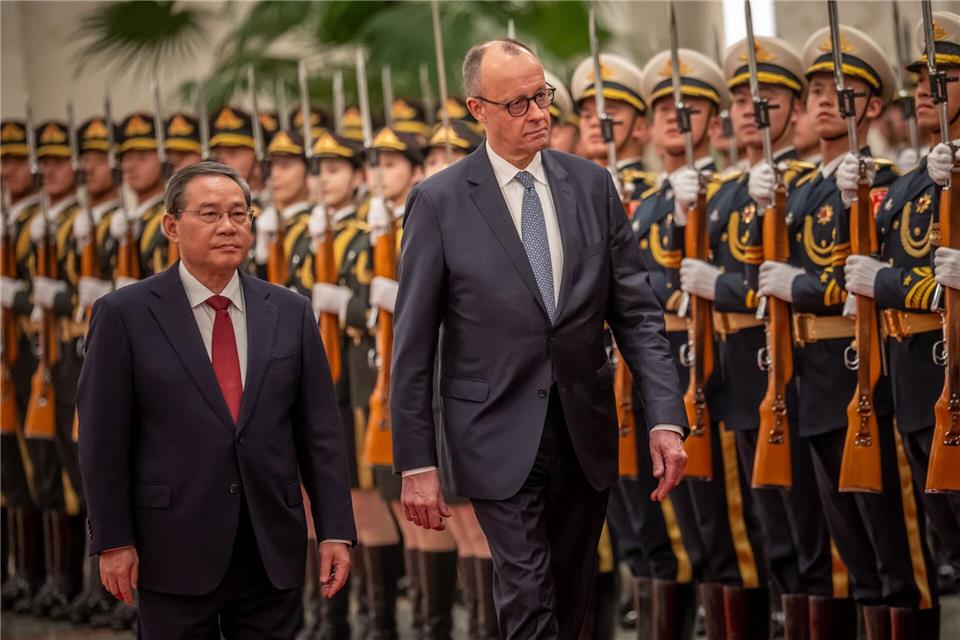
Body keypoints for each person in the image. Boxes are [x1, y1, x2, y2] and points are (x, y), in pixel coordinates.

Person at [390, 39, 687, 638]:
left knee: (572, 599)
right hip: (493, 432)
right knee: (527, 596)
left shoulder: (592, 185)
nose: (538, 114)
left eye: (543, 96)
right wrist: (416, 462)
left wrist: (665, 418)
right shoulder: (440, 201)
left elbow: (637, 314)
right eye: (518, 103)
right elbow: (412, 345)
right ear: (478, 110)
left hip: (583, 430)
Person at [77, 161, 356, 639]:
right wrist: (113, 538)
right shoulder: (125, 314)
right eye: (209, 214)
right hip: (172, 544)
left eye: (239, 214)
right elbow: (103, 441)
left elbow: (320, 435)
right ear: (171, 226)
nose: (228, 226)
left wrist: (335, 529)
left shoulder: (289, 311)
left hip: (270, 545)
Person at [754, 24, 939, 637]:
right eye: (816, 90)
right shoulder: (802, 189)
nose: (825, 100)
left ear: (874, 106)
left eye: (842, 91)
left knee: (896, 552)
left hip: (865, 376)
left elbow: (861, 275)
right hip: (810, 380)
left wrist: (802, 287)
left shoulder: (883, 181)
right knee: (853, 554)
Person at [633, 47, 768, 639]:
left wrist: (700, 210)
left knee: (730, 526)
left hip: (714, 369)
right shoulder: (646, 205)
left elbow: (748, 275)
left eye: (689, 107)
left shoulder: (733, 192)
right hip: (662, 371)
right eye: (663, 106)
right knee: (693, 531)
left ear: (714, 123)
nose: (673, 116)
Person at [858, 8, 960, 613]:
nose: (925, 89)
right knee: (949, 535)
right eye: (920, 78)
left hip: (954, 372)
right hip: (915, 382)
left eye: (943, 77)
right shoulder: (906, 186)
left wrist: (889, 283)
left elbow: (889, 278)